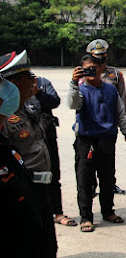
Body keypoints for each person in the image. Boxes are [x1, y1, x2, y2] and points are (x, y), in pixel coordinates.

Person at [0, 50, 58, 257]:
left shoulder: (30, 105)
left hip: (38, 188)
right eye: (28, 77)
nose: (34, 81)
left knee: (46, 244)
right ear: (12, 83)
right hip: (21, 192)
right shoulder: (5, 117)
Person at [67, 54, 126, 233]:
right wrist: (73, 83)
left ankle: (108, 211)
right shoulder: (80, 90)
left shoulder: (111, 90)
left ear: (101, 69)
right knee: (85, 179)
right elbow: (72, 104)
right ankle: (86, 217)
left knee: (107, 177)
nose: (90, 72)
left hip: (107, 138)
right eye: (86, 69)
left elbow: (120, 113)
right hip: (86, 140)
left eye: (93, 68)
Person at [26, 76, 77, 226]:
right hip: (26, 140)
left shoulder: (42, 83)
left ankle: (58, 213)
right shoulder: (14, 87)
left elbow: (55, 101)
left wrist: (38, 93)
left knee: (53, 175)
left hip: (47, 137)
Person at [86, 39, 126, 195]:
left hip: (109, 124)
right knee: (90, 157)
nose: (100, 58)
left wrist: (120, 122)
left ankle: (111, 183)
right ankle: (91, 185)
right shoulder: (86, 73)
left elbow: (122, 99)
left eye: (103, 55)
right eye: (97, 56)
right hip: (90, 124)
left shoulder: (115, 74)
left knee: (109, 157)